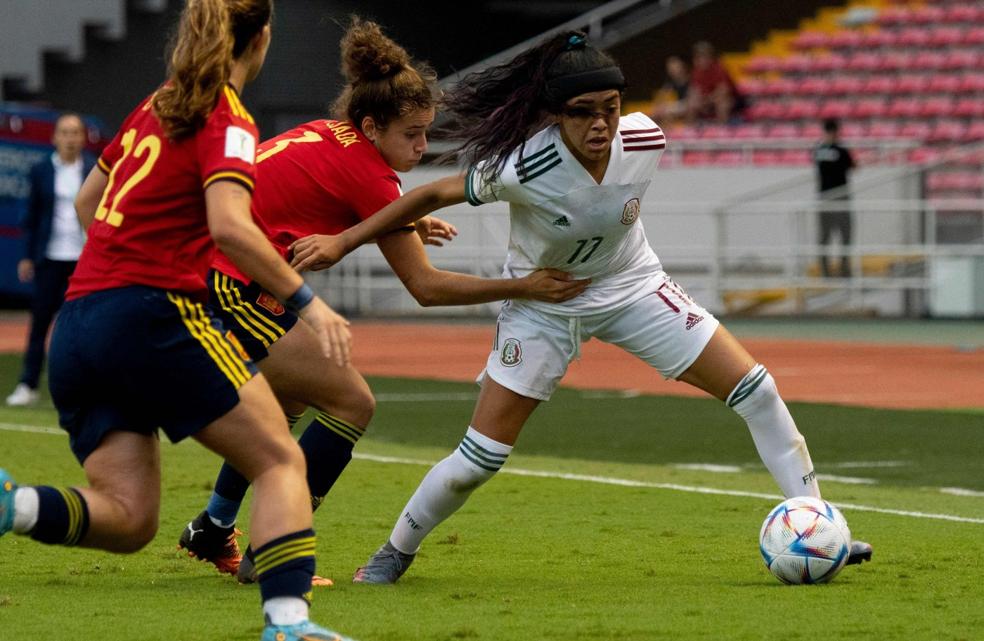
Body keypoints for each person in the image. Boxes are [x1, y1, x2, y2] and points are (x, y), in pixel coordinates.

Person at [287, 31, 873, 585]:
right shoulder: (523, 166)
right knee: (478, 460)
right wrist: (343, 240)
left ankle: (817, 530)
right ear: (555, 115)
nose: (600, 123)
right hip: (542, 304)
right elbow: (429, 193)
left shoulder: (645, 138)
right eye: (582, 111)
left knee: (759, 391)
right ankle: (395, 551)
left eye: (610, 107)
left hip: (632, 285)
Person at [175, 17, 590, 585]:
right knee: (352, 404)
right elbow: (426, 289)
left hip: (210, 266)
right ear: (371, 126)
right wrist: (525, 285)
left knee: (292, 401)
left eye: (427, 131)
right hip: (228, 280)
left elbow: (301, 199)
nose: (422, 146)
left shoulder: (330, 131)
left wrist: (408, 229)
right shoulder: (374, 178)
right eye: (412, 134)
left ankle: (213, 527)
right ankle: (272, 553)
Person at [0, 2, 356, 640]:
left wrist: (114, 277)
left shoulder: (156, 103)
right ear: (262, 38)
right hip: (153, 314)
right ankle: (289, 624)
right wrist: (309, 301)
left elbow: (90, 201)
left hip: (79, 324)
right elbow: (229, 227)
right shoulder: (229, 116)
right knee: (279, 460)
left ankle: (12, 505)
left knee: (130, 519)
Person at [6, 113, 94, 407]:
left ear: (83, 137)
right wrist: (27, 257)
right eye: (65, 132)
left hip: (84, 260)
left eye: (75, 132)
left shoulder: (93, 169)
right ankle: (27, 384)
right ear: (55, 137)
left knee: (84, 325)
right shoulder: (41, 170)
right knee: (40, 322)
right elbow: (30, 216)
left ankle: (83, 386)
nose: (70, 138)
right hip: (50, 257)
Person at [814, 118, 856, 278]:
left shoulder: (818, 149)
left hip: (823, 198)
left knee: (825, 236)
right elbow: (853, 166)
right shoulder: (841, 150)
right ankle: (843, 269)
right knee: (844, 234)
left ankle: (825, 270)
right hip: (840, 197)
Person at [687, 41, 740, 123]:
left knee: (722, 103)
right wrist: (698, 101)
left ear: (711, 58)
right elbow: (694, 91)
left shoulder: (720, 69)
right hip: (707, 101)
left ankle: (720, 130)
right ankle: (690, 131)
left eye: (704, 57)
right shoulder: (696, 72)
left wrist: (707, 101)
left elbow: (723, 92)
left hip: (732, 100)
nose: (701, 60)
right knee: (691, 103)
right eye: (698, 57)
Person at [650, 55, 690, 125]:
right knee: (660, 110)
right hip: (678, 105)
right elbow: (662, 95)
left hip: (688, 104)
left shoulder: (689, 79)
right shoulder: (671, 82)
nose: (672, 70)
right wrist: (658, 106)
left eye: (675, 67)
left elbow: (690, 99)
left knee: (667, 110)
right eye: (670, 68)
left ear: (682, 67)